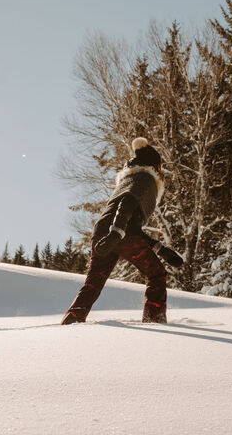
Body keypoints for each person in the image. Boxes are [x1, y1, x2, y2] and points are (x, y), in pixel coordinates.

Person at [61, 137, 184, 325]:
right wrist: (116, 234)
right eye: (159, 166)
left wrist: (161, 249)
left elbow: (131, 223)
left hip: (102, 232)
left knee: (93, 283)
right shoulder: (145, 178)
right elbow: (127, 202)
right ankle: (154, 319)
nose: (160, 171)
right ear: (153, 165)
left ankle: (72, 320)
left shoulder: (127, 180)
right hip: (119, 234)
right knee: (157, 274)